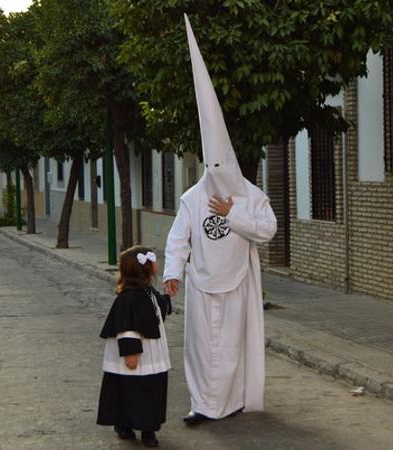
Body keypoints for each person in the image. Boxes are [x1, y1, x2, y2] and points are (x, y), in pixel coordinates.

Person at [163, 15, 277, 425]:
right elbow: (179, 238)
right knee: (201, 348)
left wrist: (235, 212)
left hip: (238, 283)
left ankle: (231, 402)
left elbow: (266, 230)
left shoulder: (250, 194)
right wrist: (172, 273)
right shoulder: (193, 198)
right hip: (202, 283)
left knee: (231, 346)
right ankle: (203, 406)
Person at [97, 246, 172, 447]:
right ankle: (124, 425)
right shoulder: (127, 298)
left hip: (152, 353)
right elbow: (125, 326)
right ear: (144, 268)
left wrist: (166, 299)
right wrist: (131, 352)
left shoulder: (147, 291)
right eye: (154, 260)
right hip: (136, 354)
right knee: (128, 391)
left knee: (151, 391)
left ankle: (149, 429)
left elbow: (156, 311)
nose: (158, 263)